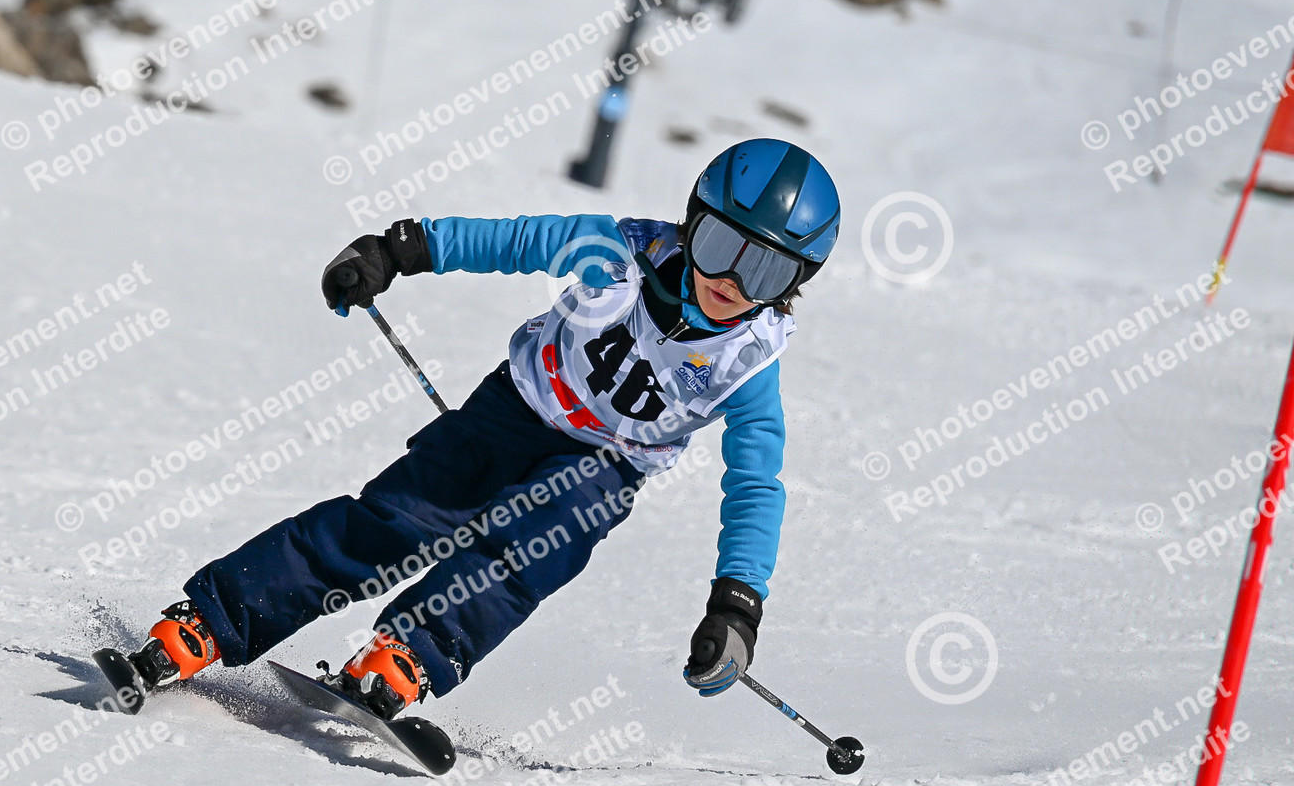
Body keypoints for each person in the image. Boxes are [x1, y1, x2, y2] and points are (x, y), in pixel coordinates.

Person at [126, 138, 841, 719]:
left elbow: (756, 485)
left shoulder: (749, 364)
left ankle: (408, 655)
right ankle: (215, 619)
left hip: (607, 466)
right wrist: (397, 252)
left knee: (534, 545)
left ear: (794, 281)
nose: (731, 281)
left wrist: (737, 605)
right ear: (691, 221)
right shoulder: (616, 250)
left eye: (764, 269)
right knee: (398, 521)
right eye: (720, 245)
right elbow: (513, 241)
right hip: (516, 409)